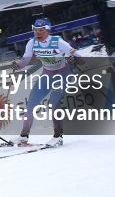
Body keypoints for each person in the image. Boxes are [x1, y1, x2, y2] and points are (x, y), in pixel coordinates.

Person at [11, 17, 81, 147]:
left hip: (62, 74)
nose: (38, 33)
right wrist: (18, 66)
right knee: (31, 104)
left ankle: (58, 135)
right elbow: (25, 60)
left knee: (53, 102)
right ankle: (24, 136)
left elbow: (77, 55)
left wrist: (75, 60)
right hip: (47, 75)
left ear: (47, 31)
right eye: (36, 30)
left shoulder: (58, 42)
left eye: (41, 30)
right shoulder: (32, 43)